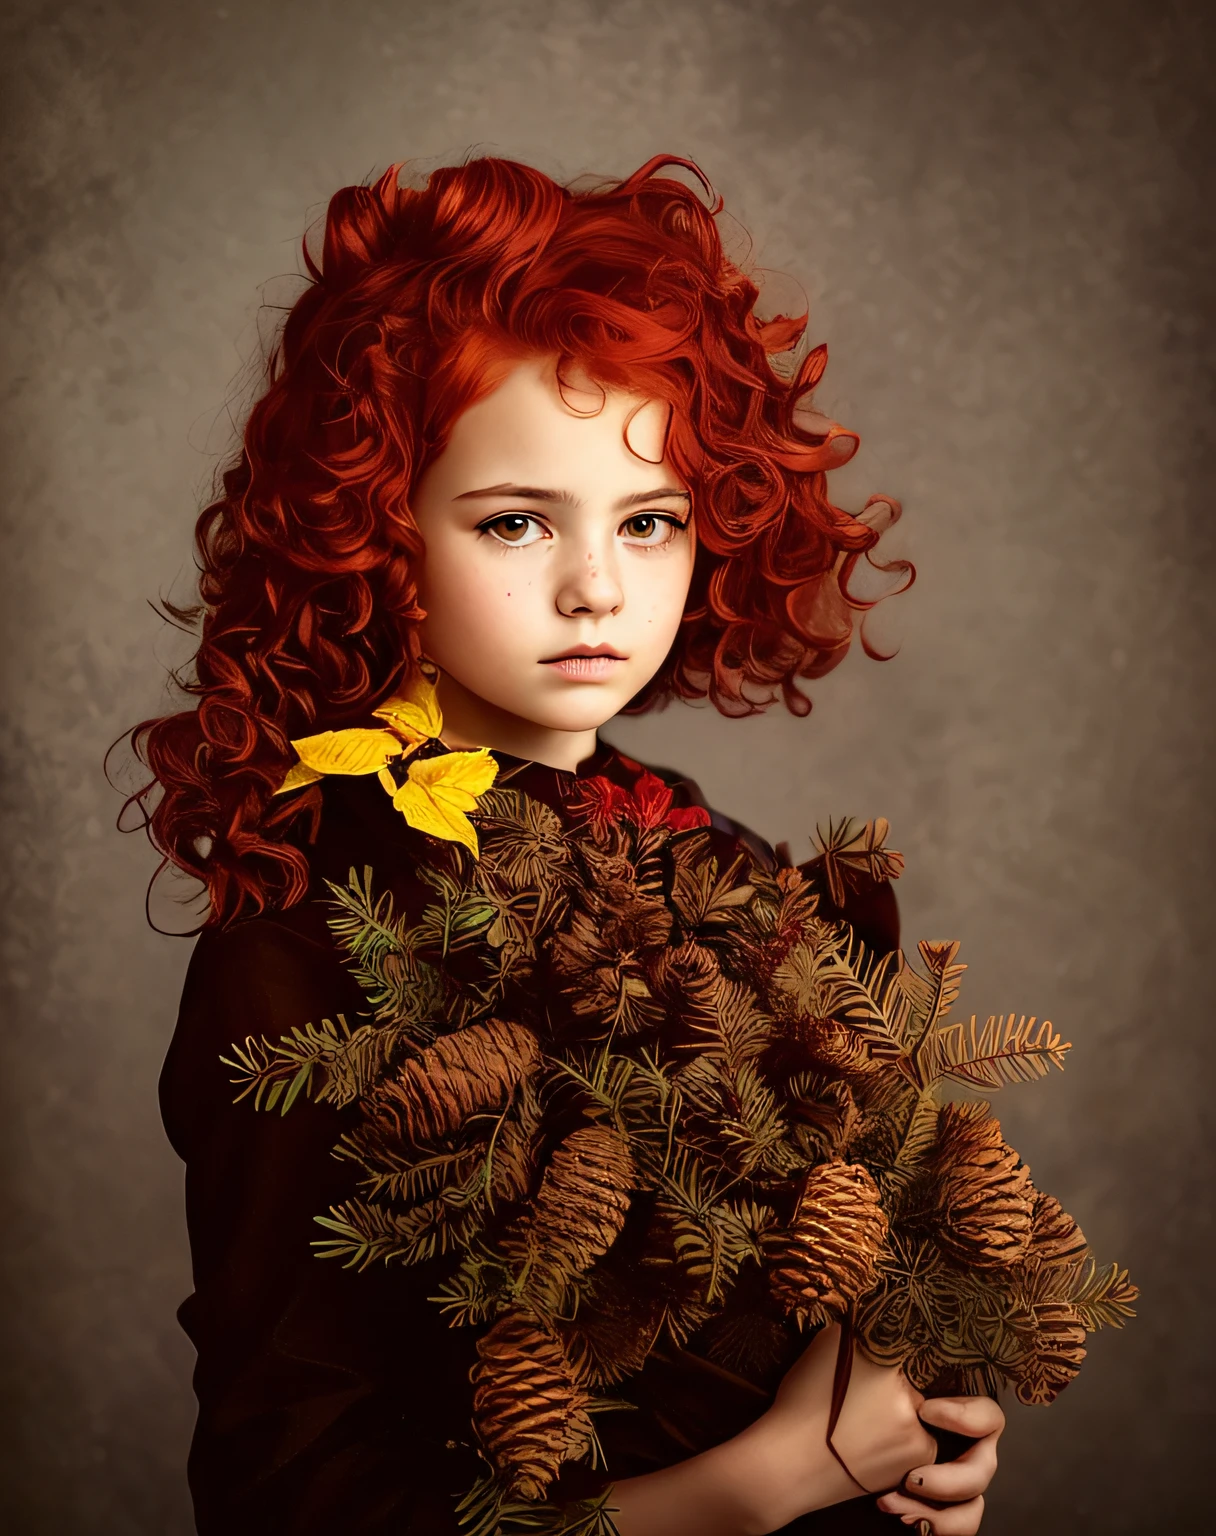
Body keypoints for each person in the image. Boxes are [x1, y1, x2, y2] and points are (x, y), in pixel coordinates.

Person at [133, 155, 1005, 1535]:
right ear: (380, 534)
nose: (598, 585)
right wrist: (752, 1489)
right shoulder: (306, 933)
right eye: (517, 521)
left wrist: (924, 1434)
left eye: (649, 521)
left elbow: (858, 1238)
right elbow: (290, 1494)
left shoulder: (725, 860)